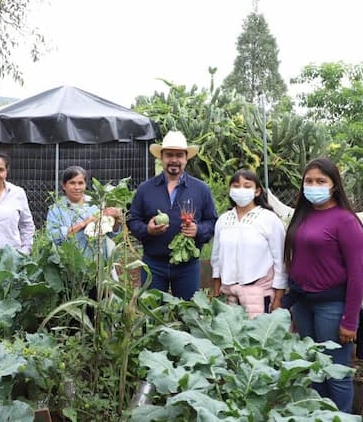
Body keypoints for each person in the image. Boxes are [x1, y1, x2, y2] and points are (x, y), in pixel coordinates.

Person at [281, 157, 363, 413]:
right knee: (313, 368)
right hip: (304, 304)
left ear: (334, 186)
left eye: (321, 181)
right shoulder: (303, 215)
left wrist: (350, 320)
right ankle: (318, 416)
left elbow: (357, 275)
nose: (313, 185)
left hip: (332, 307)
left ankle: (341, 418)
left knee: (336, 372)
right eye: (309, 181)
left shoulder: (346, 221)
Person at [128, 131, 217, 300]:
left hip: (188, 266)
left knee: (189, 315)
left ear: (186, 158)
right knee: (152, 315)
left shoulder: (200, 189)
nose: (174, 160)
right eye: (169, 155)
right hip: (153, 264)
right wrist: (147, 230)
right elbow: (133, 220)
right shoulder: (145, 189)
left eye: (179, 155)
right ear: (161, 158)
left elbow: (213, 221)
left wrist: (198, 230)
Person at [211, 169, 287, 317]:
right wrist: (216, 291)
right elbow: (216, 259)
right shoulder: (224, 220)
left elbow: (281, 261)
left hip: (260, 295)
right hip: (229, 295)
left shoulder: (269, 219)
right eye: (236, 186)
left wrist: (278, 297)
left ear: (257, 191)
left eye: (247, 186)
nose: (241, 190)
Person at [45, 165, 123, 258]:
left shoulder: (96, 204)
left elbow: (110, 233)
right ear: (64, 186)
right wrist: (84, 223)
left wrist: (116, 221)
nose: (77, 187)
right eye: (72, 183)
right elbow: (54, 237)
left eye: (80, 183)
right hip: (69, 262)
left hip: (98, 260)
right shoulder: (56, 209)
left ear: (85, 185)